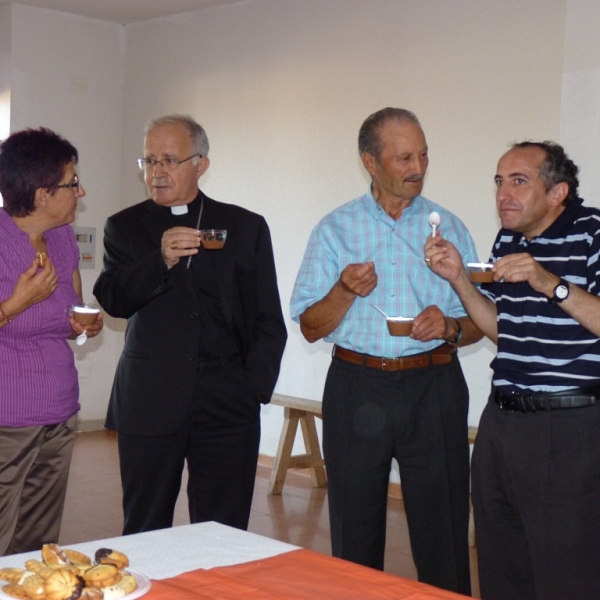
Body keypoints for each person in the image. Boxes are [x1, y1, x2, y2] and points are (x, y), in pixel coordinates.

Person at [290, 107, 482, 595]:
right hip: (357, 387)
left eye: (422, 154)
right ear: (370, 162)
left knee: (444, 534)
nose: (417, 166)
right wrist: (343, 290)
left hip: (435, 386)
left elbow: (484, 322)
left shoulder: (451, 228)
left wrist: (451, 325)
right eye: (404, 157)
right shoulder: (335, 229)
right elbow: (311, 327)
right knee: (354, 532)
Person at [93, 114, 287, 535]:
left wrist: (252, 386)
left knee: (223, 529)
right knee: (145, 526)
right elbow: (113, 300)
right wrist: (158, 259)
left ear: (201, 164)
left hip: (227, 401)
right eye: (148, 161)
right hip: (151, 396)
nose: (157, 172)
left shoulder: (244, 226)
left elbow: (268, 318)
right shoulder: (124, 227)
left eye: (169, 160)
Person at [425, 141, 600, 600]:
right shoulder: (508, 239)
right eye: (499, 182)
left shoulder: (593, 232)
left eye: (519, 181)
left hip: (569, 426)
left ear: (557, 192)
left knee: (567, 571)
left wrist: (547, 281)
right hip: (502, 422)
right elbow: (506, 332)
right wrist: (459, 280)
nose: (504, 194)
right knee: (502, 564)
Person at [0, 127, 103, 555]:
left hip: (59, 411)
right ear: (43, 194)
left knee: (38, 540)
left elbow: (69, 309)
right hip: (7, 418)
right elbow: (23, 309)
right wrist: (16, 302)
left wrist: (82, 324)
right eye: (71, 182)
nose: (80, 191)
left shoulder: (62, 239)